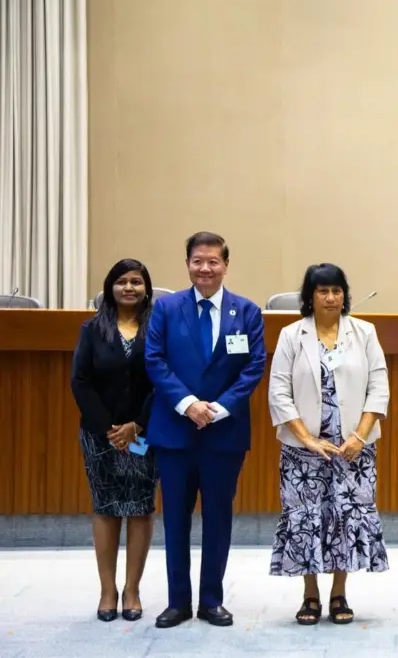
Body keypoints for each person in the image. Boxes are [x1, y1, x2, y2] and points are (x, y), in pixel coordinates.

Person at [144, 231, 266, 629]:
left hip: (223, 435)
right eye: (198, 261)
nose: (205, 269)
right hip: (176, 433)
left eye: (213, 261)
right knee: (175, 520)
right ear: (187, 264)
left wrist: (219, 407)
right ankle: (178, 601)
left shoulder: (245, 312)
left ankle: (211, 599)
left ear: (225, 265)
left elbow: (253, 367)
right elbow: (155, 360)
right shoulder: (165, 308)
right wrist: (188, 404)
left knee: (218, 518)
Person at [267, 263, 390, 625]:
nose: (331, 297)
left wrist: (359, 436)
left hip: (354, 449)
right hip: (303, 451)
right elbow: (278, 392)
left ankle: (339, 593)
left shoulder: (364, 332)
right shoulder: (292, 335)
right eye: (322, 290)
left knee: (346, 518)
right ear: (310, 296)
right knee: (306, 518)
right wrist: (306, 439)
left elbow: (379, 387)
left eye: (337, 290)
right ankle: (310, 595)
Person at [70, 258, 158, 622]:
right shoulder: (91, 330)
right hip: (100, 434)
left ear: (146, 289)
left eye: (136, 281)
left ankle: (132, 590)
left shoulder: (158, 329)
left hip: (146, 433)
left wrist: (136, 425)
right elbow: (81, 381)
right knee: (106, 507)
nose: (129, 288)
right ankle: (107, 590)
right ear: (110, 288)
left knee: (140, 508)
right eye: (121, 281)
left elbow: (162, 380)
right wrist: (110, 428)